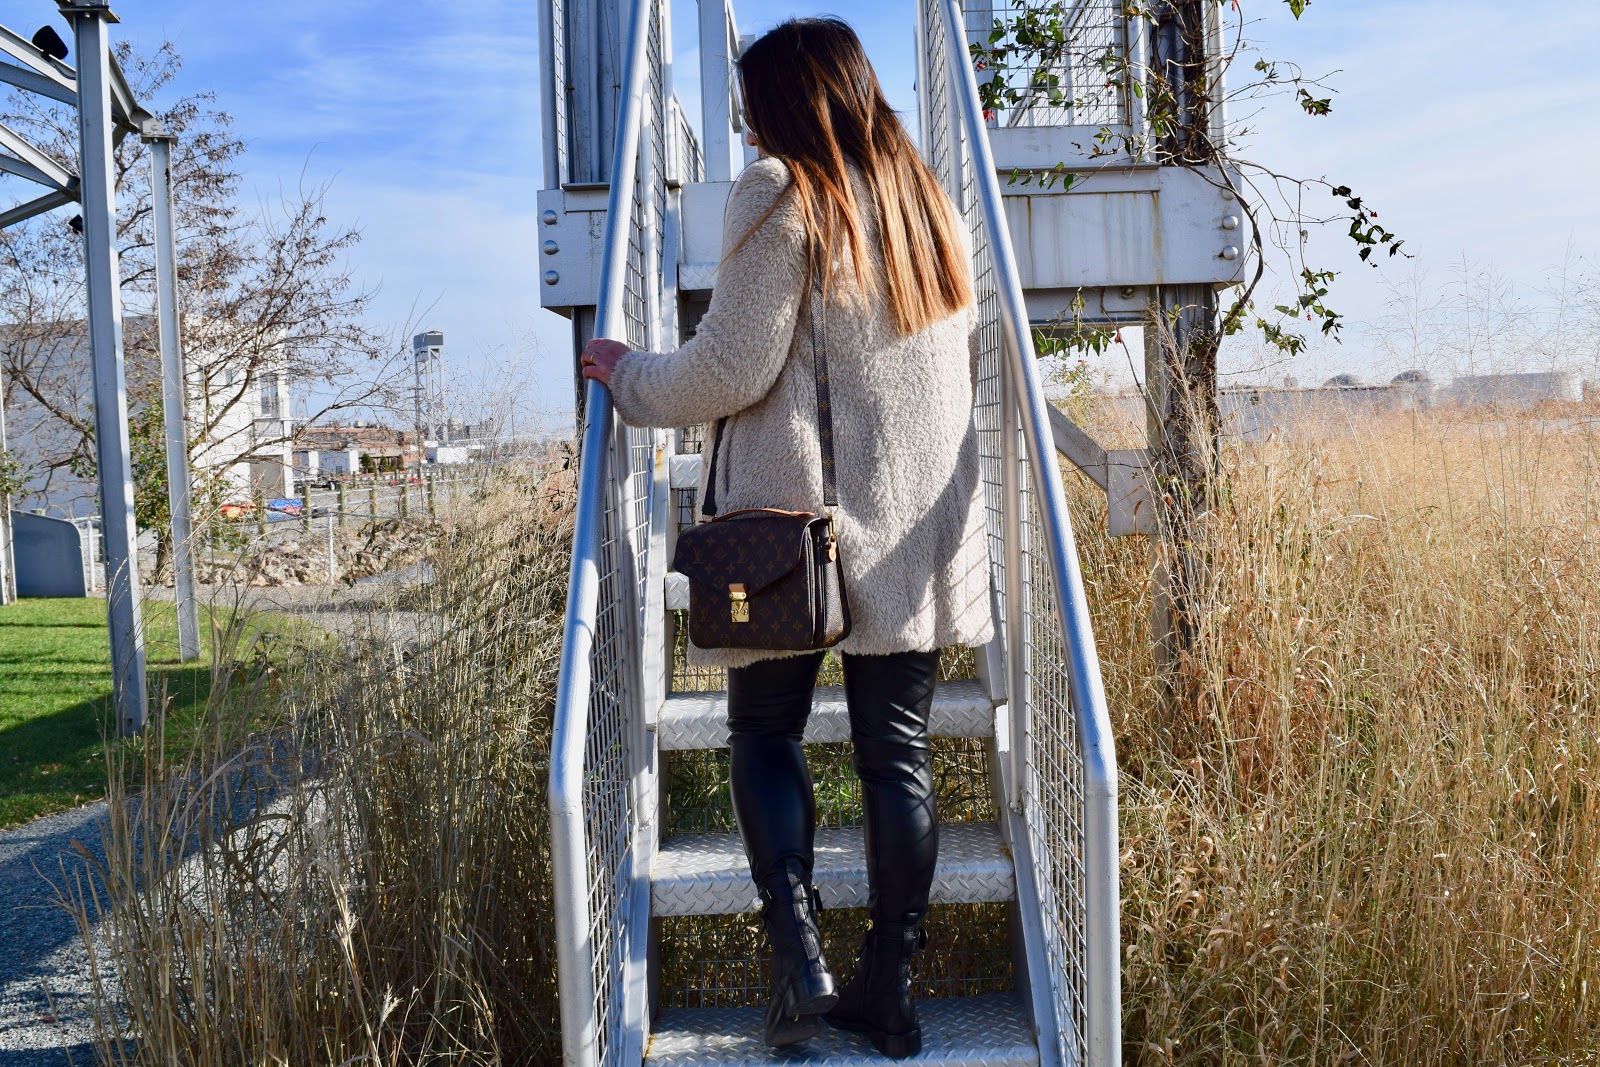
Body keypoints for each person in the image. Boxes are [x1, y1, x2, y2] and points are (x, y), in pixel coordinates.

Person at [581, 17, 991, 1058]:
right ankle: (888, 989)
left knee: (764, 732)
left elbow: (730, 366)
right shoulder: (927, 202)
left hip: (789, 535)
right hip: (915, 531)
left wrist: (628, 375)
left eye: (749, 103)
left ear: (784, 103)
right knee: (896, 754)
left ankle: (799, 953)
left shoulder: (779, 190)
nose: (744, 122)